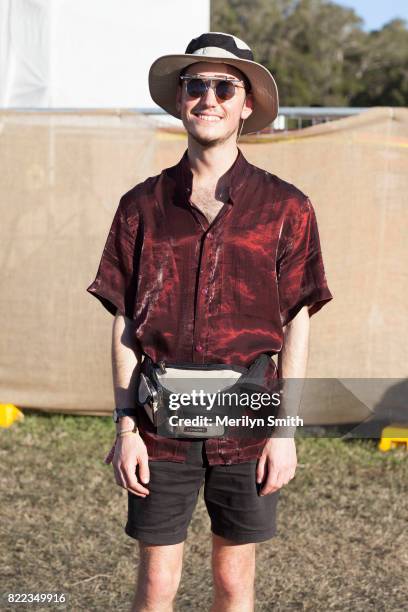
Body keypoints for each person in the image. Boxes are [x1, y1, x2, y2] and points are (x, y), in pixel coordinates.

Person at [87, 31, 333, 612]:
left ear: (247, 105)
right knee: (155, 587)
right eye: (195, 85)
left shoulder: (286, 206)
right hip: (158, 421)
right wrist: (125, 428)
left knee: (233, 583)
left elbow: (298, 320)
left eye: (225, 86)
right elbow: (123, 320)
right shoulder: (140, 206)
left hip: (249, 417)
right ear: (179, 100)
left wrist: (286, 429)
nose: (208, 98)